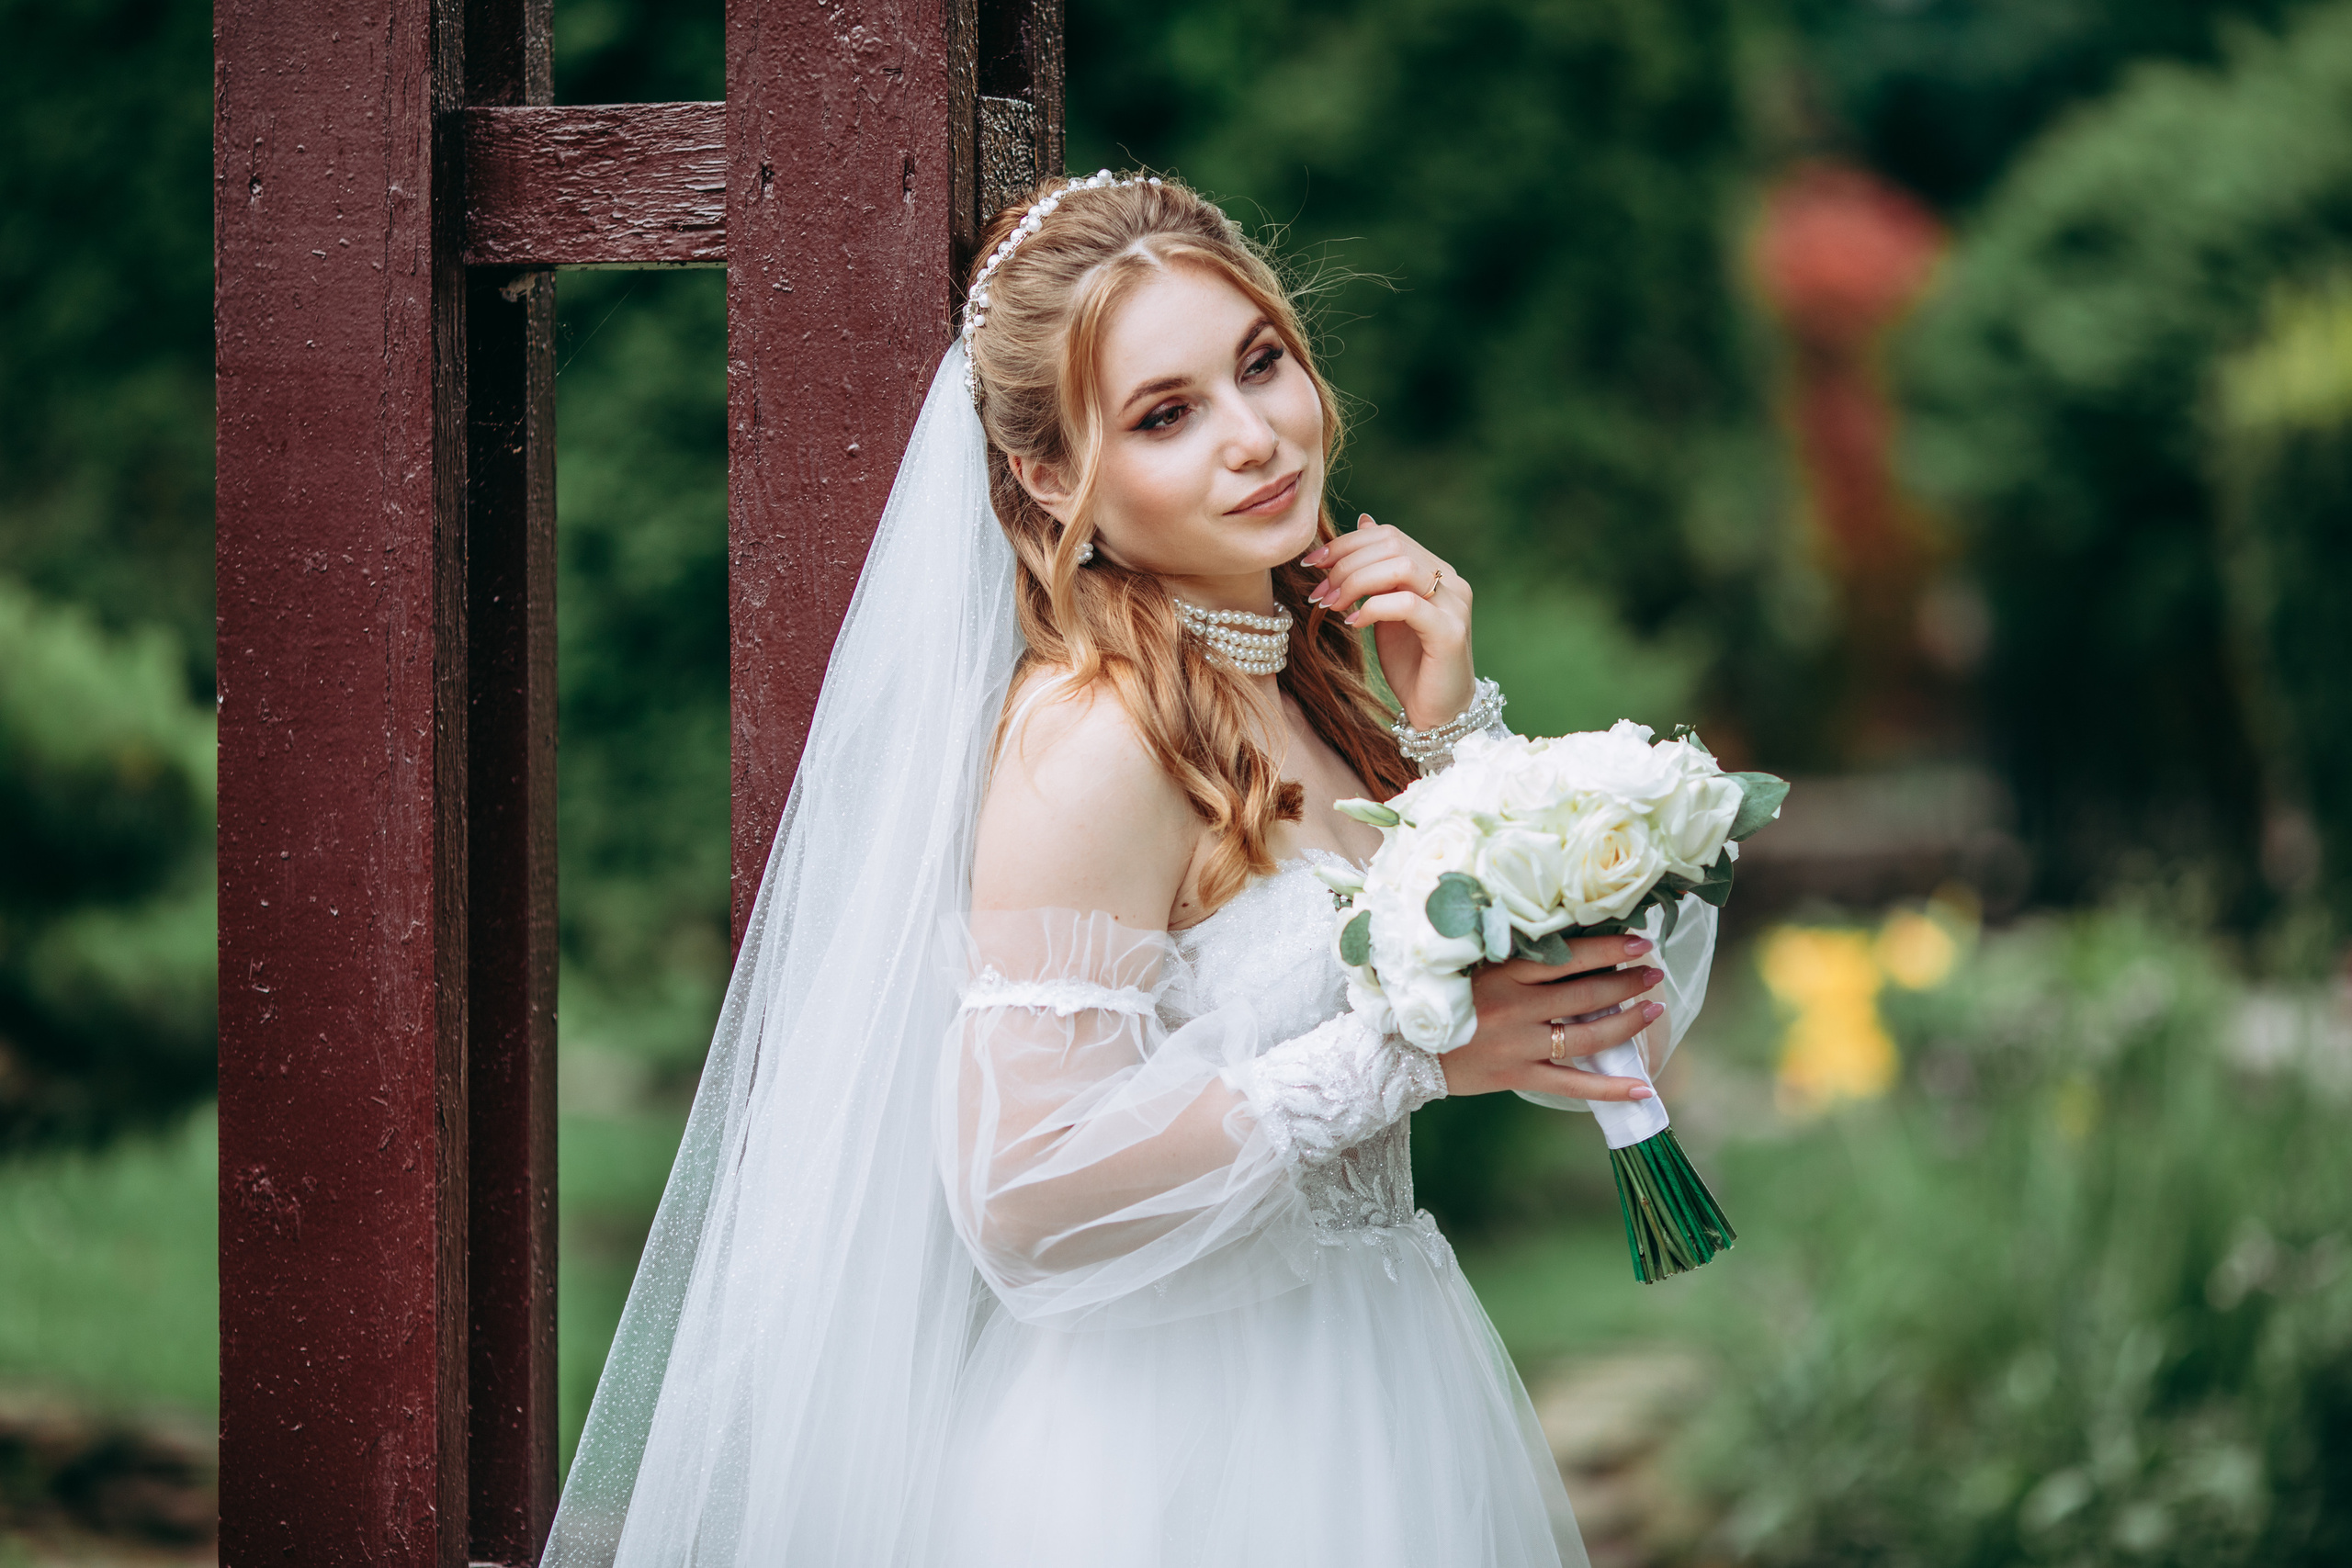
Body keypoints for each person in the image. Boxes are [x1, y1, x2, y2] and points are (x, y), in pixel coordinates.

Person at [540, 172, 1714, 1568]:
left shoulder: (1308, 686)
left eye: (1260, 364)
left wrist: (1452, 727)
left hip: (1372, 1378)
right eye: (1167, 415)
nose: (1256, 438)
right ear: (1050, 478)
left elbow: (1601, 1018)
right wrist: (1408, 1064)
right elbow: (1023, 1192)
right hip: (1186, 1450)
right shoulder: (1096, 741)